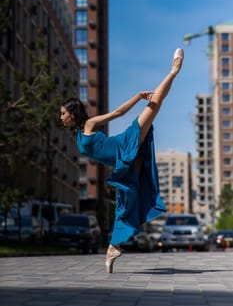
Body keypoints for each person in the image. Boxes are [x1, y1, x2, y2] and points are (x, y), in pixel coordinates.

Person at [60, 48, 184, 273]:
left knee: (154, 103)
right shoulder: (79, 134)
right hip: (123, 162)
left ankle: (173, 70)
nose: (61, 117)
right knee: (125, 203)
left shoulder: (89, 125)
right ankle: (113, 248)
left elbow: (117, 113)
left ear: (73, 114)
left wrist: (137, 96)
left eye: (63, 113)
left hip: (124, 145)